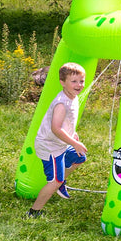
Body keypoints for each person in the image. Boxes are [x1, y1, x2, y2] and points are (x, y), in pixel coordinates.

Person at [26, 62, 88, 218]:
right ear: (62, 82)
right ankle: (33, 212)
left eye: (81, 81)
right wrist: (74, 143)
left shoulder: (73, 96)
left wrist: (72, 133)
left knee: (79, 157)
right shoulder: (62, 103)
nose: (79, 85)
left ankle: (60, 183)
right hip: (50, 146)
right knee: (55, 180)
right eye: (74, 81)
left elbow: (66, 122)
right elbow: (56, 128)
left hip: (60, 142)